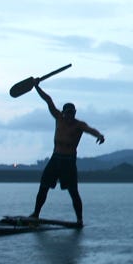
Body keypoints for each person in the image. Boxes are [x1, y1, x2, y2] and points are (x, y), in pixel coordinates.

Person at [29, 82, 105, 226]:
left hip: (68, 162)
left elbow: (91, 130)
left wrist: (99, 136)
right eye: (67, 113)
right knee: (43, 186)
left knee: (73, 191)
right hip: (55, 159)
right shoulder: (59, 118)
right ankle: (36, 214)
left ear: (75, 113)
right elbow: (48, 100)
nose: (69, 115)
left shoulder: (79, 125)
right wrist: (37, 87)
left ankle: (79, 219)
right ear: (63, 112)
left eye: (72, 113)